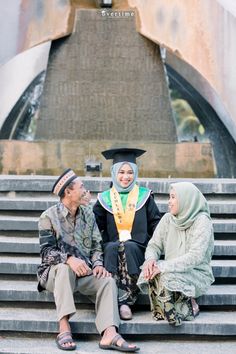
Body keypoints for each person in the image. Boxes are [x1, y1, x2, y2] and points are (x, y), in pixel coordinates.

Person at [37, 168, 139, 352]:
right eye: (81, 186)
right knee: (64, 268)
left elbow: (96, 246)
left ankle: (109, 333)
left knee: (107, 281)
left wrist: (98, 263)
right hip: (55, 275)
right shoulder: (48, 217)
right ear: (68, 192)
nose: (85, 190)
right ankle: (63, 326)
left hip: (84, 273)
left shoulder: (88, 213)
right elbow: (46, 253)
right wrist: (69, 259)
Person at [93, 148, 161, 320]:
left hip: (138, 247)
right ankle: (114, 300)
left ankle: (125, 302)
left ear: (136, 173)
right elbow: (94, 227)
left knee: (128, 247)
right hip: (111, 246)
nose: (126, 177)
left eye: (130, 172)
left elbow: (156, 224)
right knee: (113, 247)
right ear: (114, 173)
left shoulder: (145, 197)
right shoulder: (104, 199)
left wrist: (156, 249)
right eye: (121, 172)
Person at [138, 181, 215, 326]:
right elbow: (154, 245)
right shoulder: (167, 219)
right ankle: (170, 307)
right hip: (171, 269)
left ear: (186, 199)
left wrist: (163, 267)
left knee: (165, 274)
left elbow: (195, 257)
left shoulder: (202, 221)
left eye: (173, 197)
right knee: (147, 272)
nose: (169, 202)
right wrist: (150, 260)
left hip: (196, 272)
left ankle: (185, 305)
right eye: (169, 197)